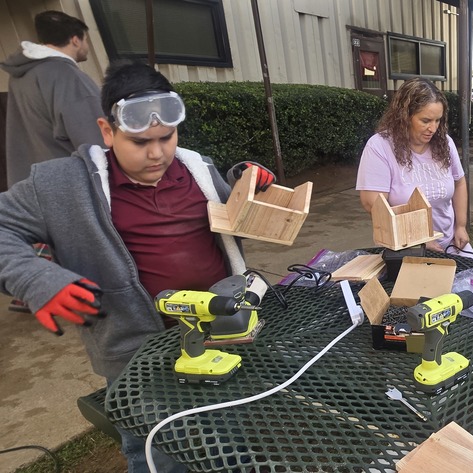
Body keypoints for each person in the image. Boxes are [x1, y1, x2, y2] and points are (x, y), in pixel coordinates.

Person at [0, 61, 271, 473]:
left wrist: (245, 183)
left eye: (166, 137)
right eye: (140, 141)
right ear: (107, 131)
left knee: (224, 434)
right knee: (157, 453)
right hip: (137, 357)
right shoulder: (60, 185)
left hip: (218, 333)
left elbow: (232, 216)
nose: (158, 152)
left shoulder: (197, 167)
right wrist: (37, 278)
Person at [356, 78, 472, 256]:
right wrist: (419, 238)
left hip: (448, 242)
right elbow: (373, 204)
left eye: (438, 120)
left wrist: (461, 226)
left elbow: (460, 183)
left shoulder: (444, 143)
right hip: (405, 247)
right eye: (425, 121)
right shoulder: (380, 147)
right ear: (404, 117)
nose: (433, 128)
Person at [1, 10, 103, 187]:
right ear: (75, 40)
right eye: (85, 39)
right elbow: (95, 141)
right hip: (71, 186)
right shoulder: (68, 76)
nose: (86, 44)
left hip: (33, 186)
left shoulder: (21, 76)